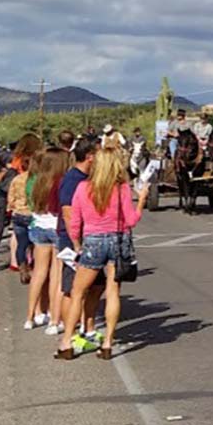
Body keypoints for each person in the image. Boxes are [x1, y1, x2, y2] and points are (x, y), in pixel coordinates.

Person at [58, 147, 150, 360]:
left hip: (93, 240)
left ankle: (67, 342)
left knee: (78, 292)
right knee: (113, 291)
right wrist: (142, 200)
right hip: (118, 241)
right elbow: (131, 221)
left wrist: (77, 244)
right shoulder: (122, 189)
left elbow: (76, 222)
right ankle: (108, 342)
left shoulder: (83, 187)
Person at [57, 139, 105, 343]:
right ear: (90, 157)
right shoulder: (72, 180)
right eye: (99, 154)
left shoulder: (87, 178)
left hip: (91, 239)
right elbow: (68, 213)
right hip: (74, 241)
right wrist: (76, 243)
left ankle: (89, 328)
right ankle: (71, 333)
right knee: (73, 289)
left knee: (96, 286)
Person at [24, 148, 71, 330]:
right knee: (57, 275)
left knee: (38, 272)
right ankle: (54, 319)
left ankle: (30, 316)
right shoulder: (60, 183)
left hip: (38, 226)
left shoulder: (37, 181)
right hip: (56, 227)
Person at [7, 155, 33, 283]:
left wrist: (12, 207)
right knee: (33, 243)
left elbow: (10, 197)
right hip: (31, 213)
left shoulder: (16, 179)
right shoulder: (36, 179)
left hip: (18, 213)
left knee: (21, 244)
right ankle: (32, 265)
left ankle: (22, 267)